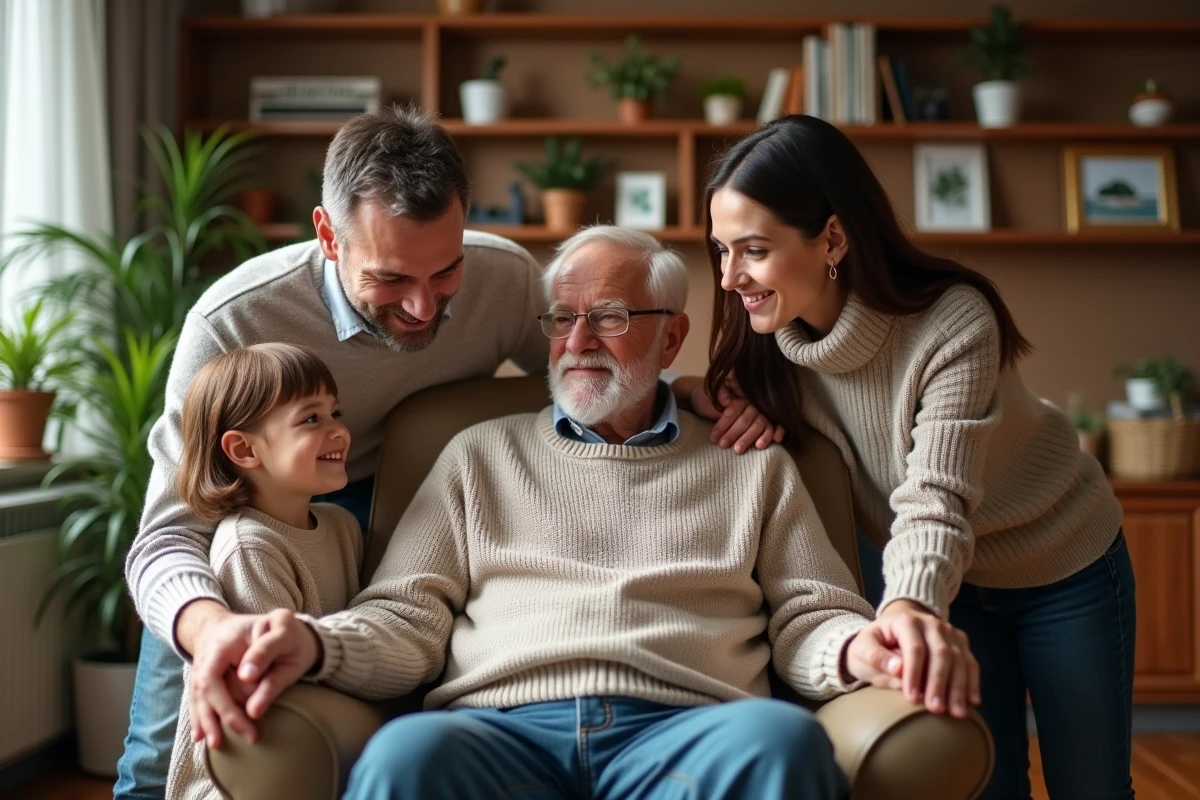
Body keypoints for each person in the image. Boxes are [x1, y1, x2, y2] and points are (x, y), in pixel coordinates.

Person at [119, 106, 779, 799]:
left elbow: (585, 375)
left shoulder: (503, 279)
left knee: (379, 681)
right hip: (272, 504)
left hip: (409, 495)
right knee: (168, 748)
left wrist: (681, 387)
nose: (423, 309)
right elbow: (168, 532)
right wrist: (210, 626)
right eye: (391, 280)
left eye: (444, 273)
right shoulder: (235, 321)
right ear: (328, 236)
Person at [217, 226, 979, 800]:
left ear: (673, 335)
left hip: (687, 729)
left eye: (610, 317)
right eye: (561, 319)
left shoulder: (752, 465)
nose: (577, 342)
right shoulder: (475, 455)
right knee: (403, 757)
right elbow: (406, 619)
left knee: (781, 742)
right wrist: (314, 644)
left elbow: (811, 615)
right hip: (500, 731)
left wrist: (860, 651)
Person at [704, 114, 1133, 800]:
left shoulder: (952, 320)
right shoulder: (769, 350)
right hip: (946, 587)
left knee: (1092, 787)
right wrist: (740, 404)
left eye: (752, 250)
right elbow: (698, 397)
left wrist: (904, 603)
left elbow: (936, 496)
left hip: (1060, 568)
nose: (729, 278)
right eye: (720, 251)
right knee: (981, 786)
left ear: (833, 238)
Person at [165, 343, 361, 800]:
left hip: (313, 751)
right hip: (244, 777)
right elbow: (268, 696)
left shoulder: (343, 527)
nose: (339, 431)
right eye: (312, 419)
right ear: (243, 449)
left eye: (336, 413)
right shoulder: (248, 547)